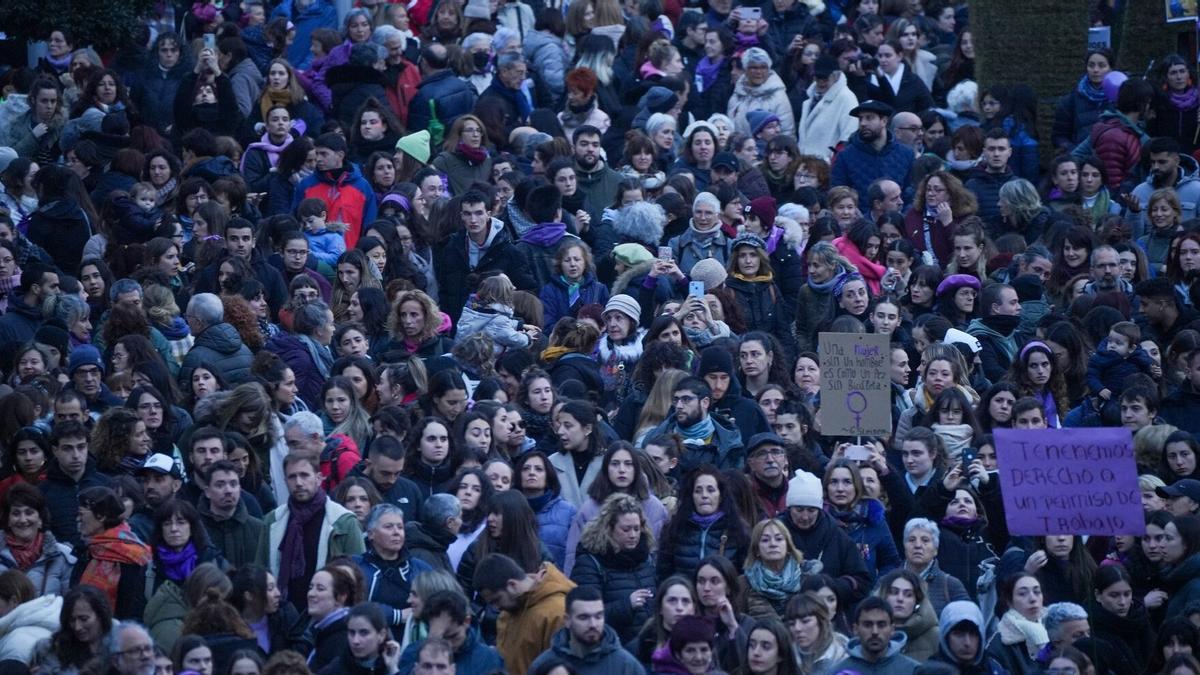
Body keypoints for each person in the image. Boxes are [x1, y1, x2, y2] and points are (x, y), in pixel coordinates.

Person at [256, 453, 365, 612]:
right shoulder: (272, 521)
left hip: (330, 612)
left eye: (304, 475)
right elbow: (260, 570)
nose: (299, 483)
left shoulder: (343, 521)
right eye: (292, 477)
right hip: (282, 611)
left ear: (319, 478)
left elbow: (358, 578)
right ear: (285, 481)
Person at [472, 552, 575, 675]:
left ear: (512, 584)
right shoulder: (508, 612)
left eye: (497, 600)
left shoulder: (556, 612)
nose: (496, 607)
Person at [70, 486, 152, 620]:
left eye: (81, 514)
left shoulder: (132, 556)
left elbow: (132, 606)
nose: (77, 519)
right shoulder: (88, 550)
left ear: (101, 516)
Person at [528, 585, 644, 674]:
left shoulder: (626, 666)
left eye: (598, 616)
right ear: (567, 620)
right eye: (584, 617)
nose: (593, 624)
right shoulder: (544, 666)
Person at [397, 588, 504, 673]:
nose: (448, 645)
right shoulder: (412, 653)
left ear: (466, 621)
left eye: (453, 636)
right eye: (441, 639)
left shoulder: (489, 659)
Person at [0, 482, 75, 595]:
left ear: (40, 519)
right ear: (8, 521)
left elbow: (70, 601)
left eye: (29, 513)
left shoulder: (63, 556)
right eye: (16, 513)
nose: (23, 520)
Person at [830, 596, 919, 675]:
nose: (875, 632)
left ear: (892, 629)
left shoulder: (914, 671)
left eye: (881, 625)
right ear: (855, 629)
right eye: (867, 625)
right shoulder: (837, 672)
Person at [929, 600, 1008, 675]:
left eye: (973, 634)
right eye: (959, 634)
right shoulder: (930, 671)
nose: (967, 643)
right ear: (945, 637)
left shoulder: (994, 670)